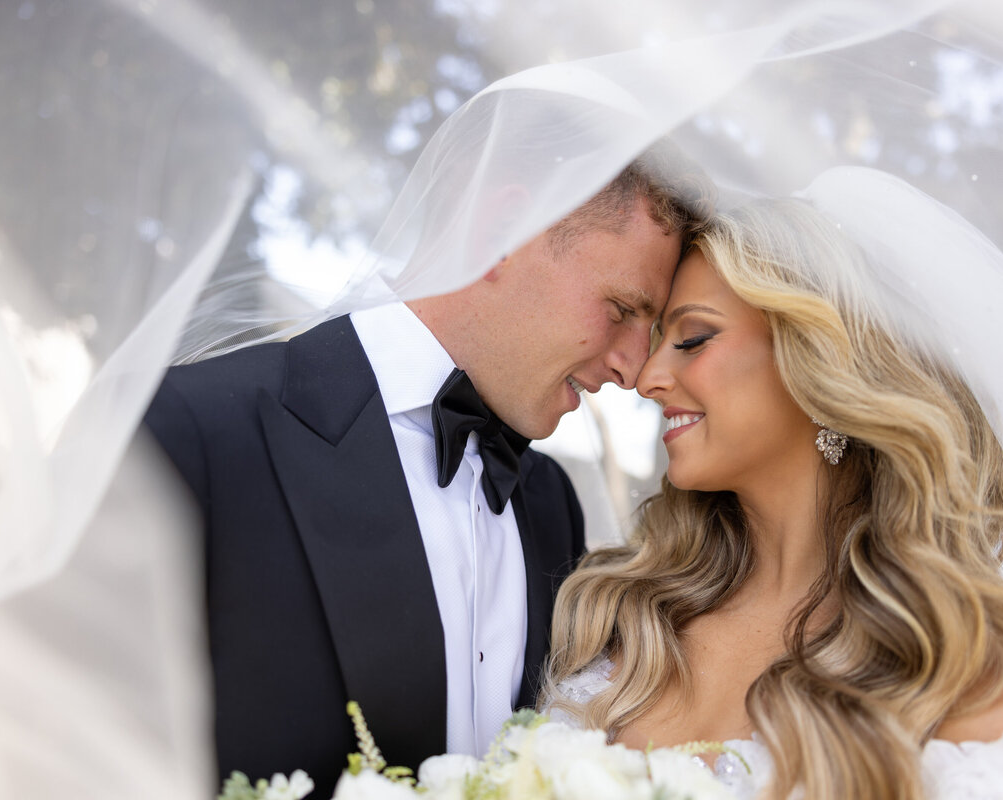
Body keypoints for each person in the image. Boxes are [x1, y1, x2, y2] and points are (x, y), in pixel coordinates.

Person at [540, 170, 1003, 799]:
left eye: (692, 339)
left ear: (822, 360)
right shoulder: (622, 617)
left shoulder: (976, 697)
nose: (646, 376)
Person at [142, 158, 707, 784]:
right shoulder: (192, 432)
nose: (632, 369)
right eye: (622, 308)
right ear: (503, 230)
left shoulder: (550, 504)